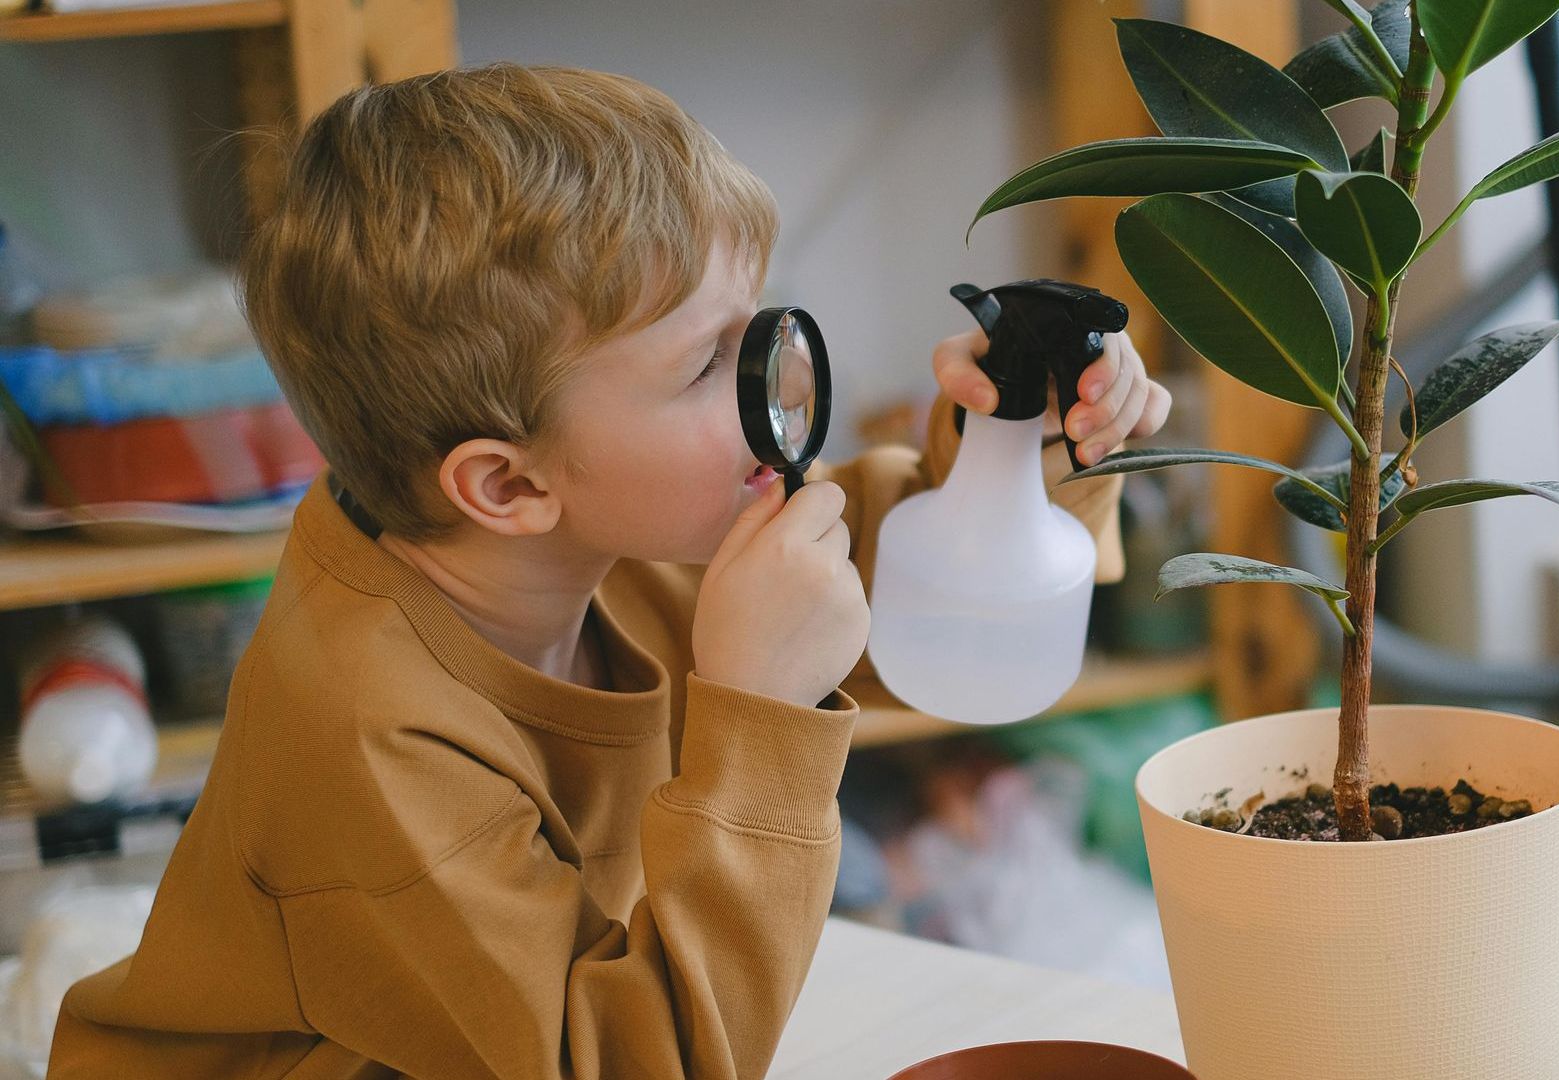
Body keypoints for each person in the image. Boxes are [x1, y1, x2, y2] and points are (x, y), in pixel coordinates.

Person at [47, 63, 1169, 1079]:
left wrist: (1025, 435)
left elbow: (903, 587)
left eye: (756, 327)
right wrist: (757, 719)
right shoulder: (364, 730)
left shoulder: (579, 533)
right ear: (509, 484)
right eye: (706, 365)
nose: (776, 382)